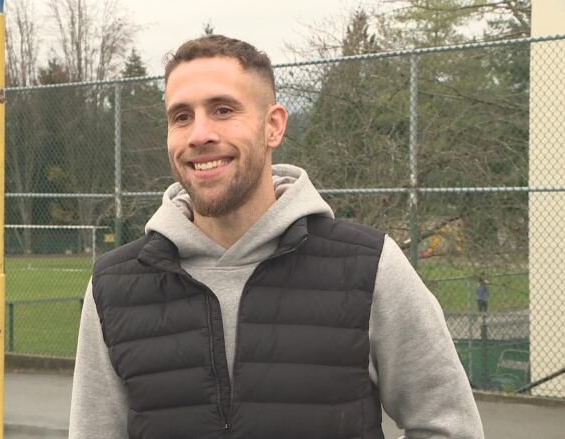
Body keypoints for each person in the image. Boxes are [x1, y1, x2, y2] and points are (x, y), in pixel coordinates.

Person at [69, 35, 483, 438]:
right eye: (181, 117)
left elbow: (447, 424)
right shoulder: (113, 286)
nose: (199, 134)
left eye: (223, 110)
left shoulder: (370, 267)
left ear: (273, 126)